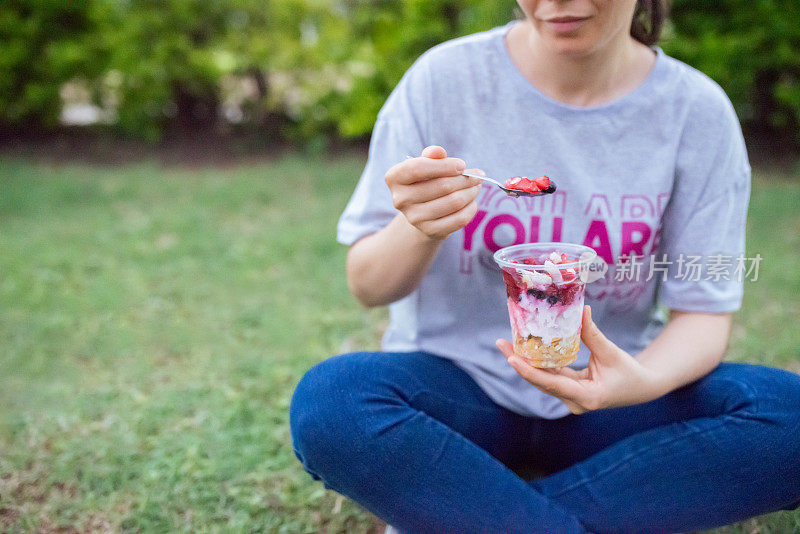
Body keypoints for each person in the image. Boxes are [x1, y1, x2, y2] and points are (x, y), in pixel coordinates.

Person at [290, 1, 800, 532]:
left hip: (611, 398)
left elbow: (703, 314)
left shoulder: (695, 111)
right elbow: (369, 285)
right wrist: (420, 226)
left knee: (790, 417)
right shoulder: (445, 81)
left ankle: (474, 511)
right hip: (459, 390)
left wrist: (639, 380)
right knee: (331, 404)